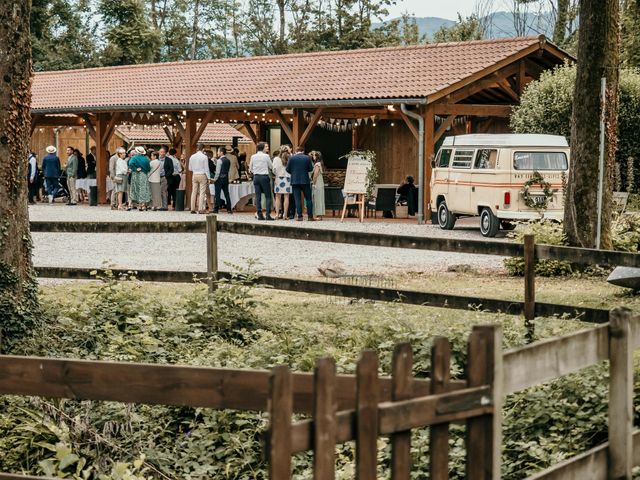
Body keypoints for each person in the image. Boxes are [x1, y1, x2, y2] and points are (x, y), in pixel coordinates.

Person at [286, 146, 314, 221]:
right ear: (303, 151)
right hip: (305, 180)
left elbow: (287, 169)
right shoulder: (307, 158)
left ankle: (300, 216)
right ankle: (310, 216)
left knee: (297, 199)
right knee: (308, 199)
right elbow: (311, 169)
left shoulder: (291, 158)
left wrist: (294, 173)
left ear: (296, 151)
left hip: (295, 181)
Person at [249, 142, 273, 220]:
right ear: (263, 148)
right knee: (268, 196)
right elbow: (271, 166)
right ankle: (268, 214)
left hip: (256, 177)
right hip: (264, 176)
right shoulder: (266, 156)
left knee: (258, 196)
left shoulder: (253, 156)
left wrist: (255, 171)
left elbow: (250, 169)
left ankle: (260, 214)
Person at [189, 143, 210, 214]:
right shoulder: (204, 157)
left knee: (194, 191)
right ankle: (200, 209)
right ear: (203, 149)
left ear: (197, 148)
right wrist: (209, 178)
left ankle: (192, 208)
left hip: (194, 174)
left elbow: (190, 168)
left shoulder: (192, 156)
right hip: (202, 174)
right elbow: (206, 169)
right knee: (202, 192)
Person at [128, 146, 151, 211]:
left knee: (135, 188)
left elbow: (130, 164)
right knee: (143, 188)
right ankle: (142, 205)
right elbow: (149, 168)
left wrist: (135, 169)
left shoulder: (134, 158)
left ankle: (133, 204)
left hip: (135, 175)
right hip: (144, 175)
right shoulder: (146, 159)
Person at [272, 147, 291, 220]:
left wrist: (277, 174)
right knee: (286, 197)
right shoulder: (289, 158)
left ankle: (277, 214)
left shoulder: (276, 159)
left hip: (278, 178)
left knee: (277, 197)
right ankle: (285, 215)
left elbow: (273, 170)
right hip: (287, 178)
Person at [213, 146, 233, 214]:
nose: (217, 153)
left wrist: (215, 179)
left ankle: (216, 208)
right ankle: (229, 208)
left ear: (221, 152)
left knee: (217, 194)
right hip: (225, 178)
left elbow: (218, 172)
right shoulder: (228, 160)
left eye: (218, 151)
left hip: (219, 179)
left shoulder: (219, 161)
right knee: (226, 194)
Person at [310, 151, 325, 220]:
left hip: (317, 183)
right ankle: (320, 215)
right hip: (320, 182)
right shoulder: (320, 163)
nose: (313, 157)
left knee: (317, 199)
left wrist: (313, 183)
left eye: (313, 155)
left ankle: (317, 215)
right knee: (320, 198)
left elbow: (315, 174)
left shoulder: (317, 164)